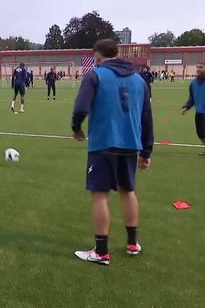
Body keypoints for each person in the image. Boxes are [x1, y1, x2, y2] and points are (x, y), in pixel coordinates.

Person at [71, 39, 153, 265]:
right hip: (130, 145)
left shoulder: (95, 75)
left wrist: (76, 128)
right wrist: (146, 151)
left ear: (97, 56)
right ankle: (132, 244)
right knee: (128, 191)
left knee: (100, 194)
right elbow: (147, 118)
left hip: (103, 144)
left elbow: (80, 107)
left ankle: (101, 252)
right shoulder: (139, 80)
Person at [180, 62, 205, 156]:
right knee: (201, 134)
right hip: (199, 112)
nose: (198, 69)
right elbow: (192, 98)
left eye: (201, 67)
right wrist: (186, 107)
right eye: (197, 67)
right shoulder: (193, 83)